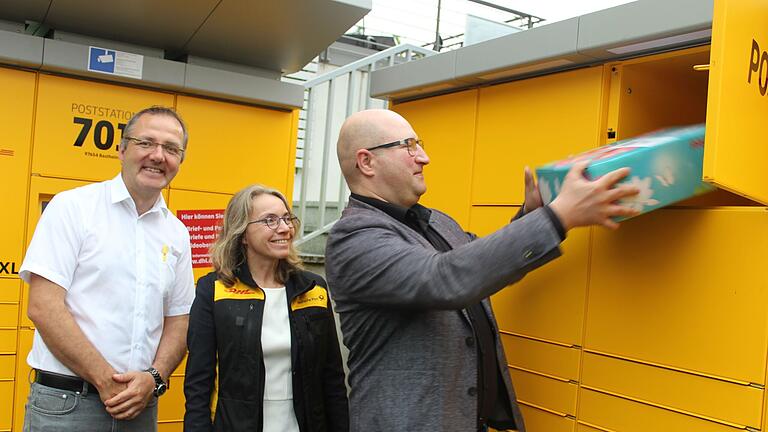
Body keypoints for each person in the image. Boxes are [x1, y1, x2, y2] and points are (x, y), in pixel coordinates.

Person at [324, 109, 640, 432]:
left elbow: (478, 265)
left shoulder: (433, 220)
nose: (424, 157)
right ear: (366, 162)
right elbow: (445, 278)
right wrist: (559, 217)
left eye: (419, 144)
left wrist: (533, 215)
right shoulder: (353, 239)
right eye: (408, 146)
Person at [19, 106, 194, 431]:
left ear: (179, 161)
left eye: (171, 149)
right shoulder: (73, 208)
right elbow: (43, 306)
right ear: (122, 149)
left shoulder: (177, 233)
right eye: (147, 143)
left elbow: (180, 319)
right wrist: (106, 381)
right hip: (67, 406)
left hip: (140, 407)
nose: (158, 156)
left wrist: (154, 378)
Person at [184, 184, 349, 432]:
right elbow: (198, 382)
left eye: (286, 218)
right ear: (242, 234)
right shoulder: (214, 290)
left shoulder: (314, 289)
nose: (284, 228)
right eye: (269, 220)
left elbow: (332, 378)